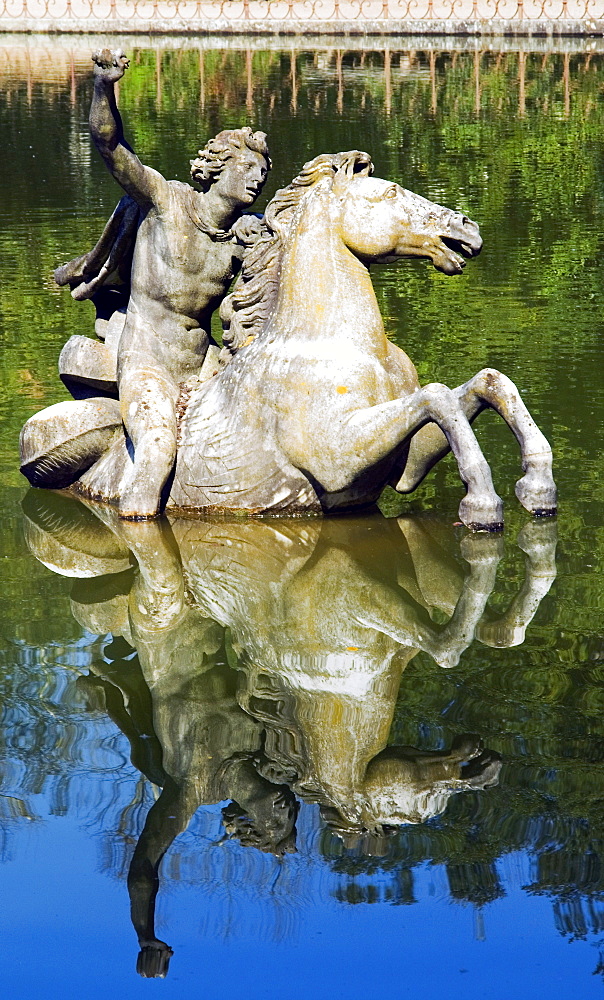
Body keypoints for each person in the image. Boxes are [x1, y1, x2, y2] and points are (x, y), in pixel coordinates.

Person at [62, 48, 270, 518]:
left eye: (263, 172)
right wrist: (103, 87)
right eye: (247, 168)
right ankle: (145, 552)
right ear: (219, 167)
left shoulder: (243, 237)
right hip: (148, 361)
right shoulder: (165, 201)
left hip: (207, 365)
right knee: (157, 452)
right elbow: (110, 146)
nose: (257, 178)